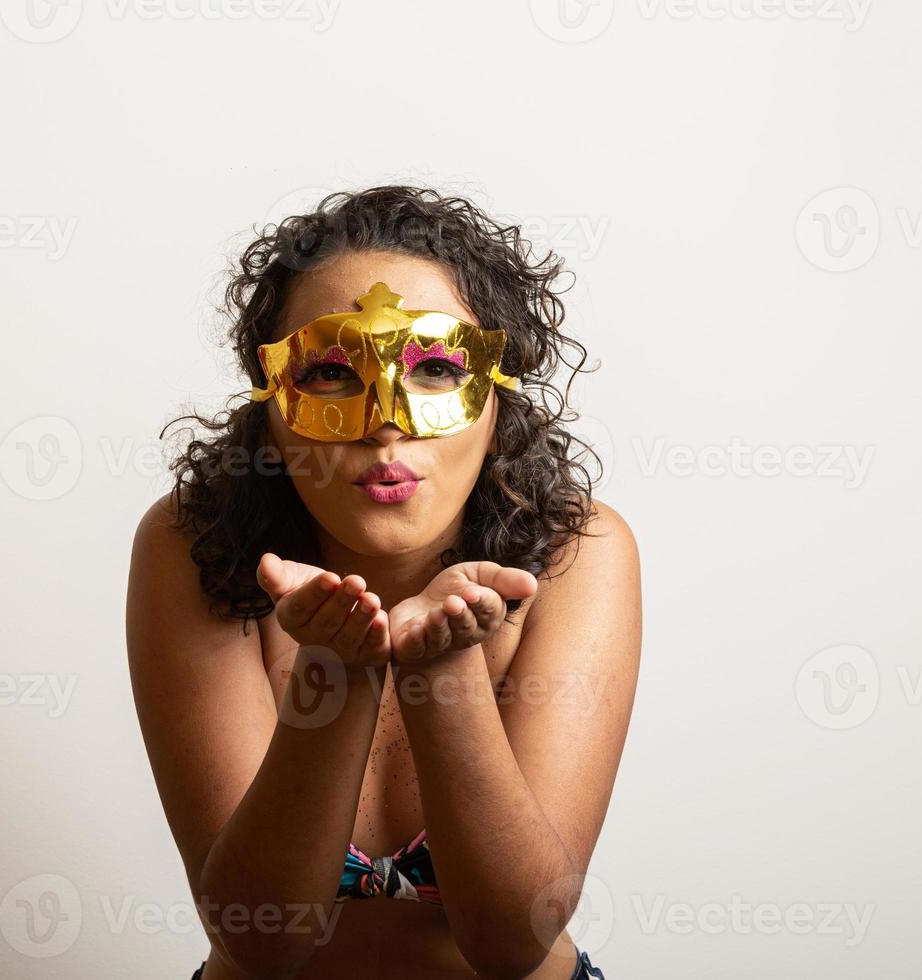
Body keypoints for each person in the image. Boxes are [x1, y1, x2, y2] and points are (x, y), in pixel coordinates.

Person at [127, 186, 641, 978]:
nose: (386, 421)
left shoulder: (579, 552)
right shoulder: (196, 547)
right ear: (270, 404)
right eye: (332, 372)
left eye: (436, 367)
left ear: (497, 397)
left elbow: (511, 942)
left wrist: (444, 668)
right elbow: (261, 937)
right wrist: (338, 667)